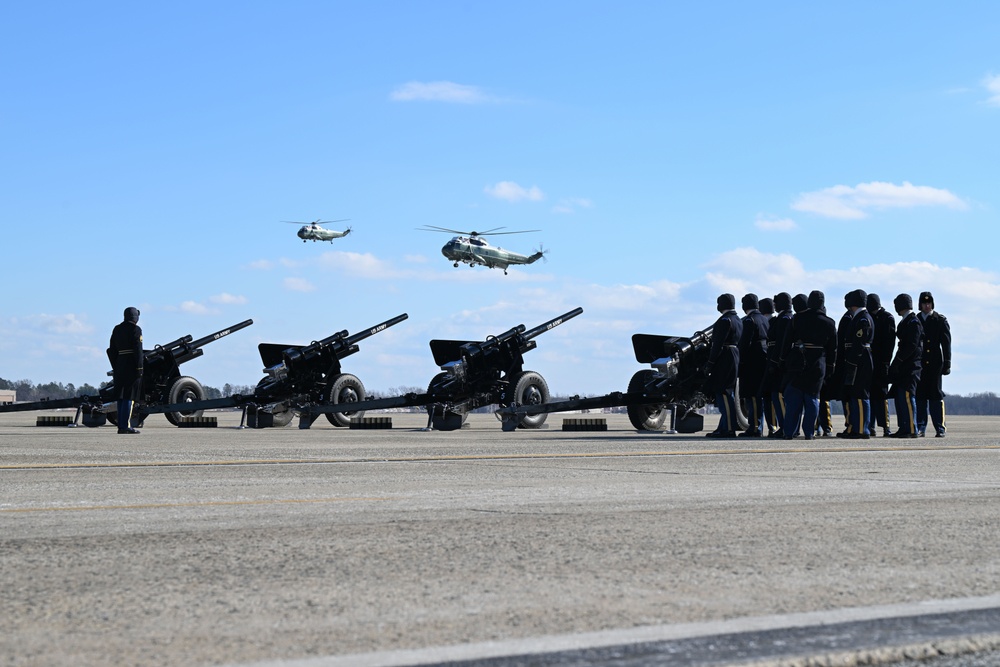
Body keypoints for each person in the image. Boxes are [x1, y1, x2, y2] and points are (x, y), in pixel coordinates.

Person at [779, 291, 837, 440]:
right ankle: (809, 432)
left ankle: (789, 431)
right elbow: (833, 348)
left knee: (793, 399)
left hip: (798, 360)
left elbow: (786, 341)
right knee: (812, 399)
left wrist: (782, 359)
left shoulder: (796, 319)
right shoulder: (829, 322)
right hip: (818, 362)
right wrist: (830, 365)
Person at [703, 293, 743, 438]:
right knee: (727, 393)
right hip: (734, 355)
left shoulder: (724, 321)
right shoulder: (737, 320)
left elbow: (717, 344)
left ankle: (729, 428)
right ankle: (723, 426)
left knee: (724, 393)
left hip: (724, 357)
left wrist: (710, 363)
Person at [836, 289, 874, 439]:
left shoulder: (863, 319)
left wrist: (852, 361)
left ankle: (862, 429)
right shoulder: (858, 317)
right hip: (858, 359)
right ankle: (855, 427)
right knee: (854, 394)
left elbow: (859, 343)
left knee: (860, 394)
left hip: (860, 360)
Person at [916, 291, 952, 437]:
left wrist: (947, 362)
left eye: (929, 303)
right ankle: (920, 427)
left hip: (935, 364)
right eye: (924, 303)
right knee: (920, 396)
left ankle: (940, 427)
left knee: (936, 396)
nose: (927, 305)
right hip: (919, 364)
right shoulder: (916, 320)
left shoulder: (940, 320)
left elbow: (946, 343)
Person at [888, 294, 923, 438]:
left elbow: (912, 346)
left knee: (908, 397)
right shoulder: (906, 321)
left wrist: (900, 360)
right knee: (900, 397)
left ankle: (912, 428)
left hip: (911, 366)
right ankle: (904, 427)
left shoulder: (914, 322)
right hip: (904, 366)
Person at [737, 293, 769, 437]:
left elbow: (744, 343)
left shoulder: (749, 321)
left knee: (752, 395)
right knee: (758, 395)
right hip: (763, 358)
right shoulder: (764, 319)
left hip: (752, 360)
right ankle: (758, 425)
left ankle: (755, 427)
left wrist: (740, 361)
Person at [108, 307, 144, 434]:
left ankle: (121, 425)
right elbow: (138, 351)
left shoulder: (117, 329)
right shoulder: (136, 329)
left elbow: (111, 350)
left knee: (121, 397)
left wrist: (115, 365)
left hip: (120, 363)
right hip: (131, 365)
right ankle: (125, 426)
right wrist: (140, 368)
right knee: (129, 396)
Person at [762, 292, 793, 439]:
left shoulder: (785, 319)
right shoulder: (782, 318)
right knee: (775, 396)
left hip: (779, 362)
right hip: (776, 358)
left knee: (778, 396)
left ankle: (786, 426)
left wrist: (776, 361)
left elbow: (782, 342)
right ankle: (785, 426)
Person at [866, 293, 896, 436]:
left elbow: (890, 342)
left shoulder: (887, 318)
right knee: (870, 394)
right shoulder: (869, 317)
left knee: (882, 396)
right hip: (870, 361)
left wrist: (886, 361)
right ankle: (870, 425)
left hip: (881, 362)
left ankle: (886, 426)